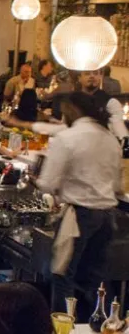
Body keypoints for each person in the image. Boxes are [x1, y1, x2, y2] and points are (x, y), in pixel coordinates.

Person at [36, 91, 122, 320]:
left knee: (62, 274)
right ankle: (97, 328)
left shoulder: (68, 138)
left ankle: (62, 333)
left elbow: (48, 183)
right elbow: (117, 184)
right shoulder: (110, 138)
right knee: (94, 279)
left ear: (72, 109)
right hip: (107, 217)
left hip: (79, 216)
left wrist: (36, 177)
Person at [76, 69, 128, 140]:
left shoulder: (111, 102)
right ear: (79, 78)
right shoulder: (72, 100)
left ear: (101, 76)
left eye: (95, 73)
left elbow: (119, 129)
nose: (92, 76)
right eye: (87, 74)